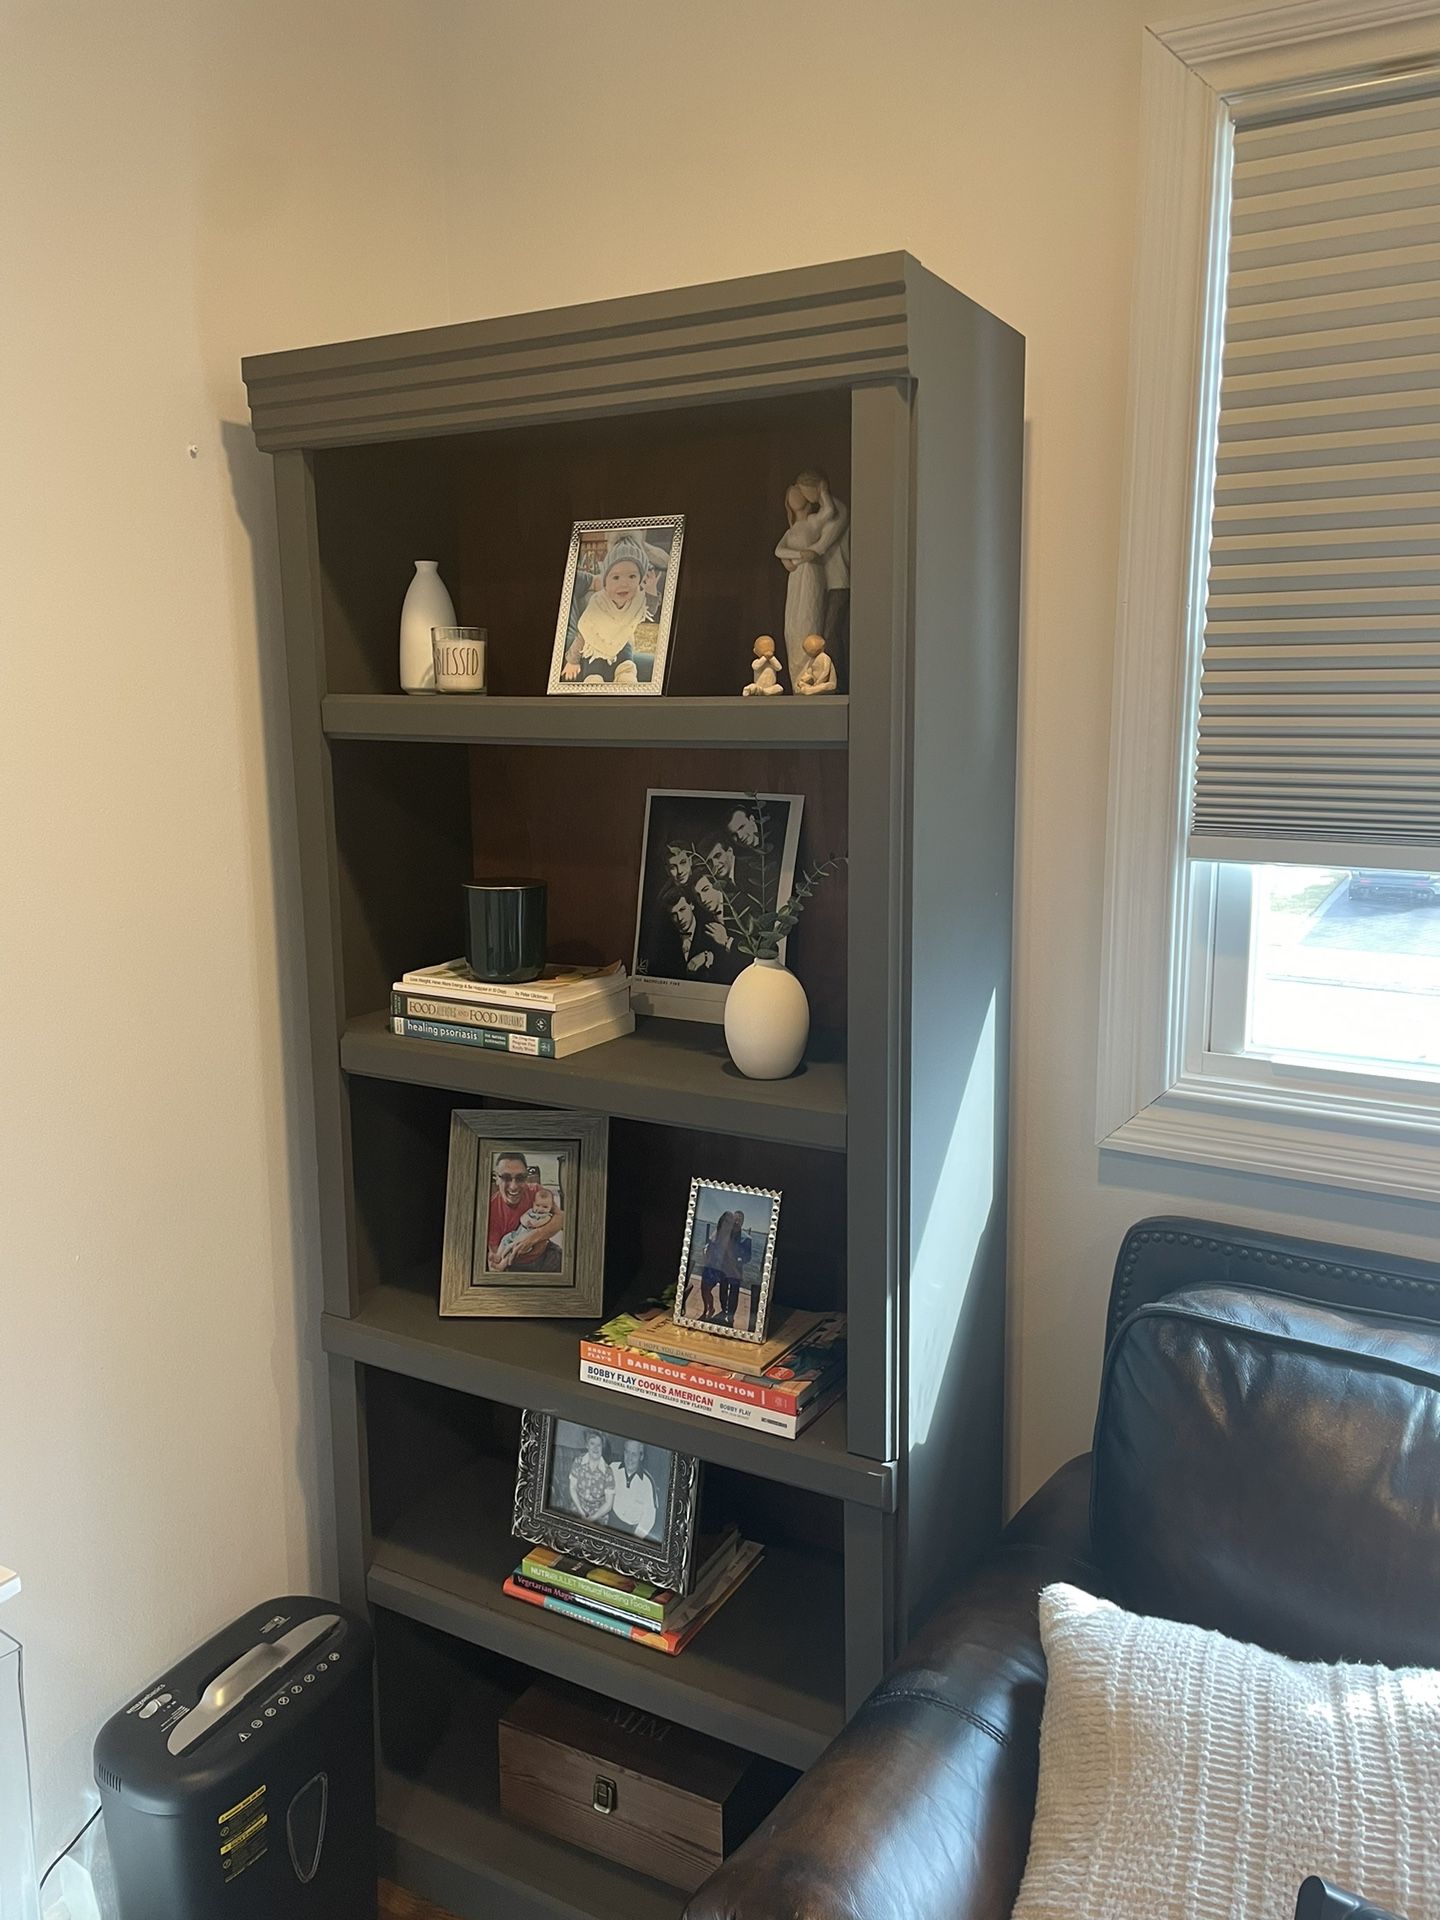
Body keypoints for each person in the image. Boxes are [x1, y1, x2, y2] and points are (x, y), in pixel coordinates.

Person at [563, 538, 656, 685]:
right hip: (586, 651)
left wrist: (649, 590)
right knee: (594, 679)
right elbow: (585, 633)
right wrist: (573, 660)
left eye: (632, 576)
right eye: (616, 577)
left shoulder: (575, 578)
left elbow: (596, 581)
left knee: (648, 669)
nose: (624, 583)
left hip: (618, 648)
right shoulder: (598, 604)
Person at [487, 1151, 565, 1273]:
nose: (513, 1186)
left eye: (520, 1178)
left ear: (526, 1178)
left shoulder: (537, 1193)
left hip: (547, 1256)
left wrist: (533, 1237)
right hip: (516, 1266)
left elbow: (561, 1218)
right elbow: (495, 1255)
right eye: (506, 1177)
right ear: (497, 1179)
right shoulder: (490, 1208)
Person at [609, 1440, 658, 1538]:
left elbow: (649, 1518)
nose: (629, 1458)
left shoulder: (647, 1483)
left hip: (632, 1531)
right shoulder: (612, 1468)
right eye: (627, 1452)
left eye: (634, 1454)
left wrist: (634, 1539)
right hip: (611, 1522)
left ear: (641, 1457)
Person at [717, 1209, 753, 1327]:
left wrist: (740, 1260)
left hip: (736, 1271)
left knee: (734, 1293)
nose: (737, 1222)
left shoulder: (747, 1238)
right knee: (722, 1290)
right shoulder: (726, 1233)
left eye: (739, 1220)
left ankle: (731, 1316)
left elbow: (748, 1257)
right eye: (735, 1219)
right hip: (724, 1268)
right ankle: (723, 1309)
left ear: (743, 1222)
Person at [568, 1430, 613, 1522]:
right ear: (587, 1445)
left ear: (602, 1447)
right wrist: (581, 1511)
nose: (595, 1448)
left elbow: (609, 1503)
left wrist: (593, 1518)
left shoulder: (608, 1471)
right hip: (577, 1509)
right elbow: (572, 1488)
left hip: (599, 1516)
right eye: (592, 1443)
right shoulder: (578, 1462)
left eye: (599, 1445)